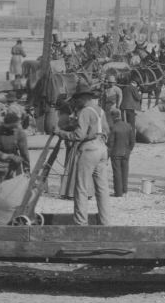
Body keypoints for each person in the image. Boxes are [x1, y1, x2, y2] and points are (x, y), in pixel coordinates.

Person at [56, 89, 112, 224]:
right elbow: (107, 130)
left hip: (89, 149)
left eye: (77, 100)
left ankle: (80, 223)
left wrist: (61, 133)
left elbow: (79, 135)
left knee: (81, 187)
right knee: (102, 188)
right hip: (102, 148)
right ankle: (105, 222)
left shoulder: (84, 111)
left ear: (83, 98)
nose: (76, 102)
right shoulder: (100, 110)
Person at [0, 111, 30, 197]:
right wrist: (7, 156)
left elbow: (24, 152)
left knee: (10, 190)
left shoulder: (19, 132)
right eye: (10, 127)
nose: (12, 129)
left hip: (12, 165)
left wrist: (27, 169)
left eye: (14, 127)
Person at [106, 107, 135, 196]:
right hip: (126, 152)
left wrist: (107, 155)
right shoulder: (128, 126)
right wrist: (129, 150)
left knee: (117, 173)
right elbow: (132, 141)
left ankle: (118, 192)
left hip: (115, 153)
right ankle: (124, 190)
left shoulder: (113, 128)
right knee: (125, 171)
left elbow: (110, 143)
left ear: (113, 117)